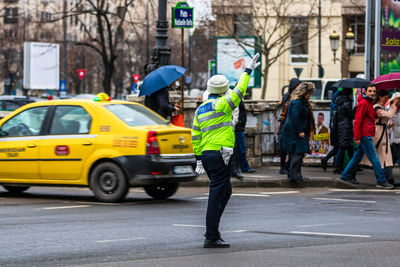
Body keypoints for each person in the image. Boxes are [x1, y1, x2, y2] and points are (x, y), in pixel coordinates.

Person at [191, 54, 260, 248]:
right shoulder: (222, 105)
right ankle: (211, 236)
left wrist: (198, 158)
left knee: (225, 191)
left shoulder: (200, 109)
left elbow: (195, 135)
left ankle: (214, 231)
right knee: (216, 195)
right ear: (223, 91)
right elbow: (239, 92)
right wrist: (247, 71)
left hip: (206, 154)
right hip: (220, 154)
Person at [339, 84, 394, 189]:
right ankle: (381, 180)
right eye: (370, 91)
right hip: (365, 134)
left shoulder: (368, 102)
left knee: (357, 157)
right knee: (374, 158)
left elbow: (370, 115)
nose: (372, 93)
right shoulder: (364, 103)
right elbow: (358, 121)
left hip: (367, 133)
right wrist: (357, 137)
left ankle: (345, 175)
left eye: (374, 91)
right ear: (365, 92)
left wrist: (376, 114)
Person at [360, 90, 398, 186]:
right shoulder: (376, 107)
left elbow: (385, 119)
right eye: (385, 97)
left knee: (386, 157)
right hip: (377, 134)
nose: (387, 99)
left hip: (383, 132)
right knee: (380, 157)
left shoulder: (382, 107)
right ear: (380, 97)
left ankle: (389, 179)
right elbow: (389, 115)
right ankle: (384, 179)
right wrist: (394, 106)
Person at [203, 89, 243, 180]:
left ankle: (234, 170)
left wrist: (233, 123)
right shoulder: (208, 93)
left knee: (233, 150)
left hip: (224, 129)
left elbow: (235, 110)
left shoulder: (229, 93)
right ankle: (229, 171)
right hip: (215, 131)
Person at [281, 82, 315, 184]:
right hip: (296, 132)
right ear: (305, 92)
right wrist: (300, 131)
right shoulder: (298, 102)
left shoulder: (298, 101)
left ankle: (296, 175)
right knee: (298, 154)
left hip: (294, 131)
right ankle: (294, 176)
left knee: (295, 154)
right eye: (310, 93)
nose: (310, 96)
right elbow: (295, 117)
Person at [278, 78, 302, 174]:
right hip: (287, 125)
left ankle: (287, 166)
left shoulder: (290, 96)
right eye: (298, 85)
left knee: (290, 147)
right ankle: (283, 167)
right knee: (284, 147)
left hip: (288, 124)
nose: (299, 87)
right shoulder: (289, 97)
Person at [334, 87, 355, 174]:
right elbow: (351, 115)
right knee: (343, 148)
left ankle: (352, 166)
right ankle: (338, 167)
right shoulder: (347, 103)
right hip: (346, 127)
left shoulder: (339, 101)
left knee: (346, 147)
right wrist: (355, 110)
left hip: (340, 126)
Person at [232, 100, 256, 177]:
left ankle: (241, 167)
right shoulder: (236, 99)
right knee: (240, 148)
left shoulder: (237, 98)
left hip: (238, 126)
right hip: (238, 127)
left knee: (239, 148)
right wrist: (240, 122)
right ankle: (244, 167)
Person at [389, 92, 400, 186]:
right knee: (393, 158)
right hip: (392, 139)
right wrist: (389, 125)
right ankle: (389, 177)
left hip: (399, 137)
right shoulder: (390, 110)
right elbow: (385, 123)